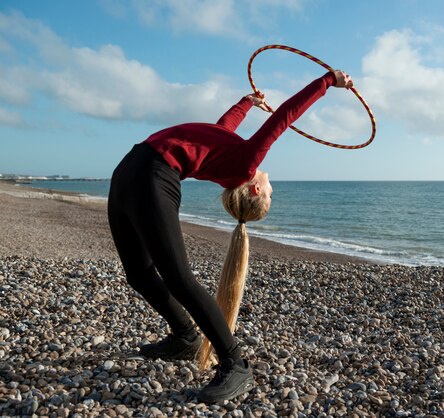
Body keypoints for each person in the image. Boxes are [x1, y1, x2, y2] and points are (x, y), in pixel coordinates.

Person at [107, 69, 353, 403]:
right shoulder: (230, 152)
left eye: (269, 194)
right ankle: (184, 337)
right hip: (131, 168)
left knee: (178, 277)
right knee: (137, 274)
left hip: (154, 174)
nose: (271, 188)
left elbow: (282, 119)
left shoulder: (246, 163)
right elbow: (222, 127)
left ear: (254, 189)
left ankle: (235, 364)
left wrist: (326, 82)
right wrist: (247, 103)